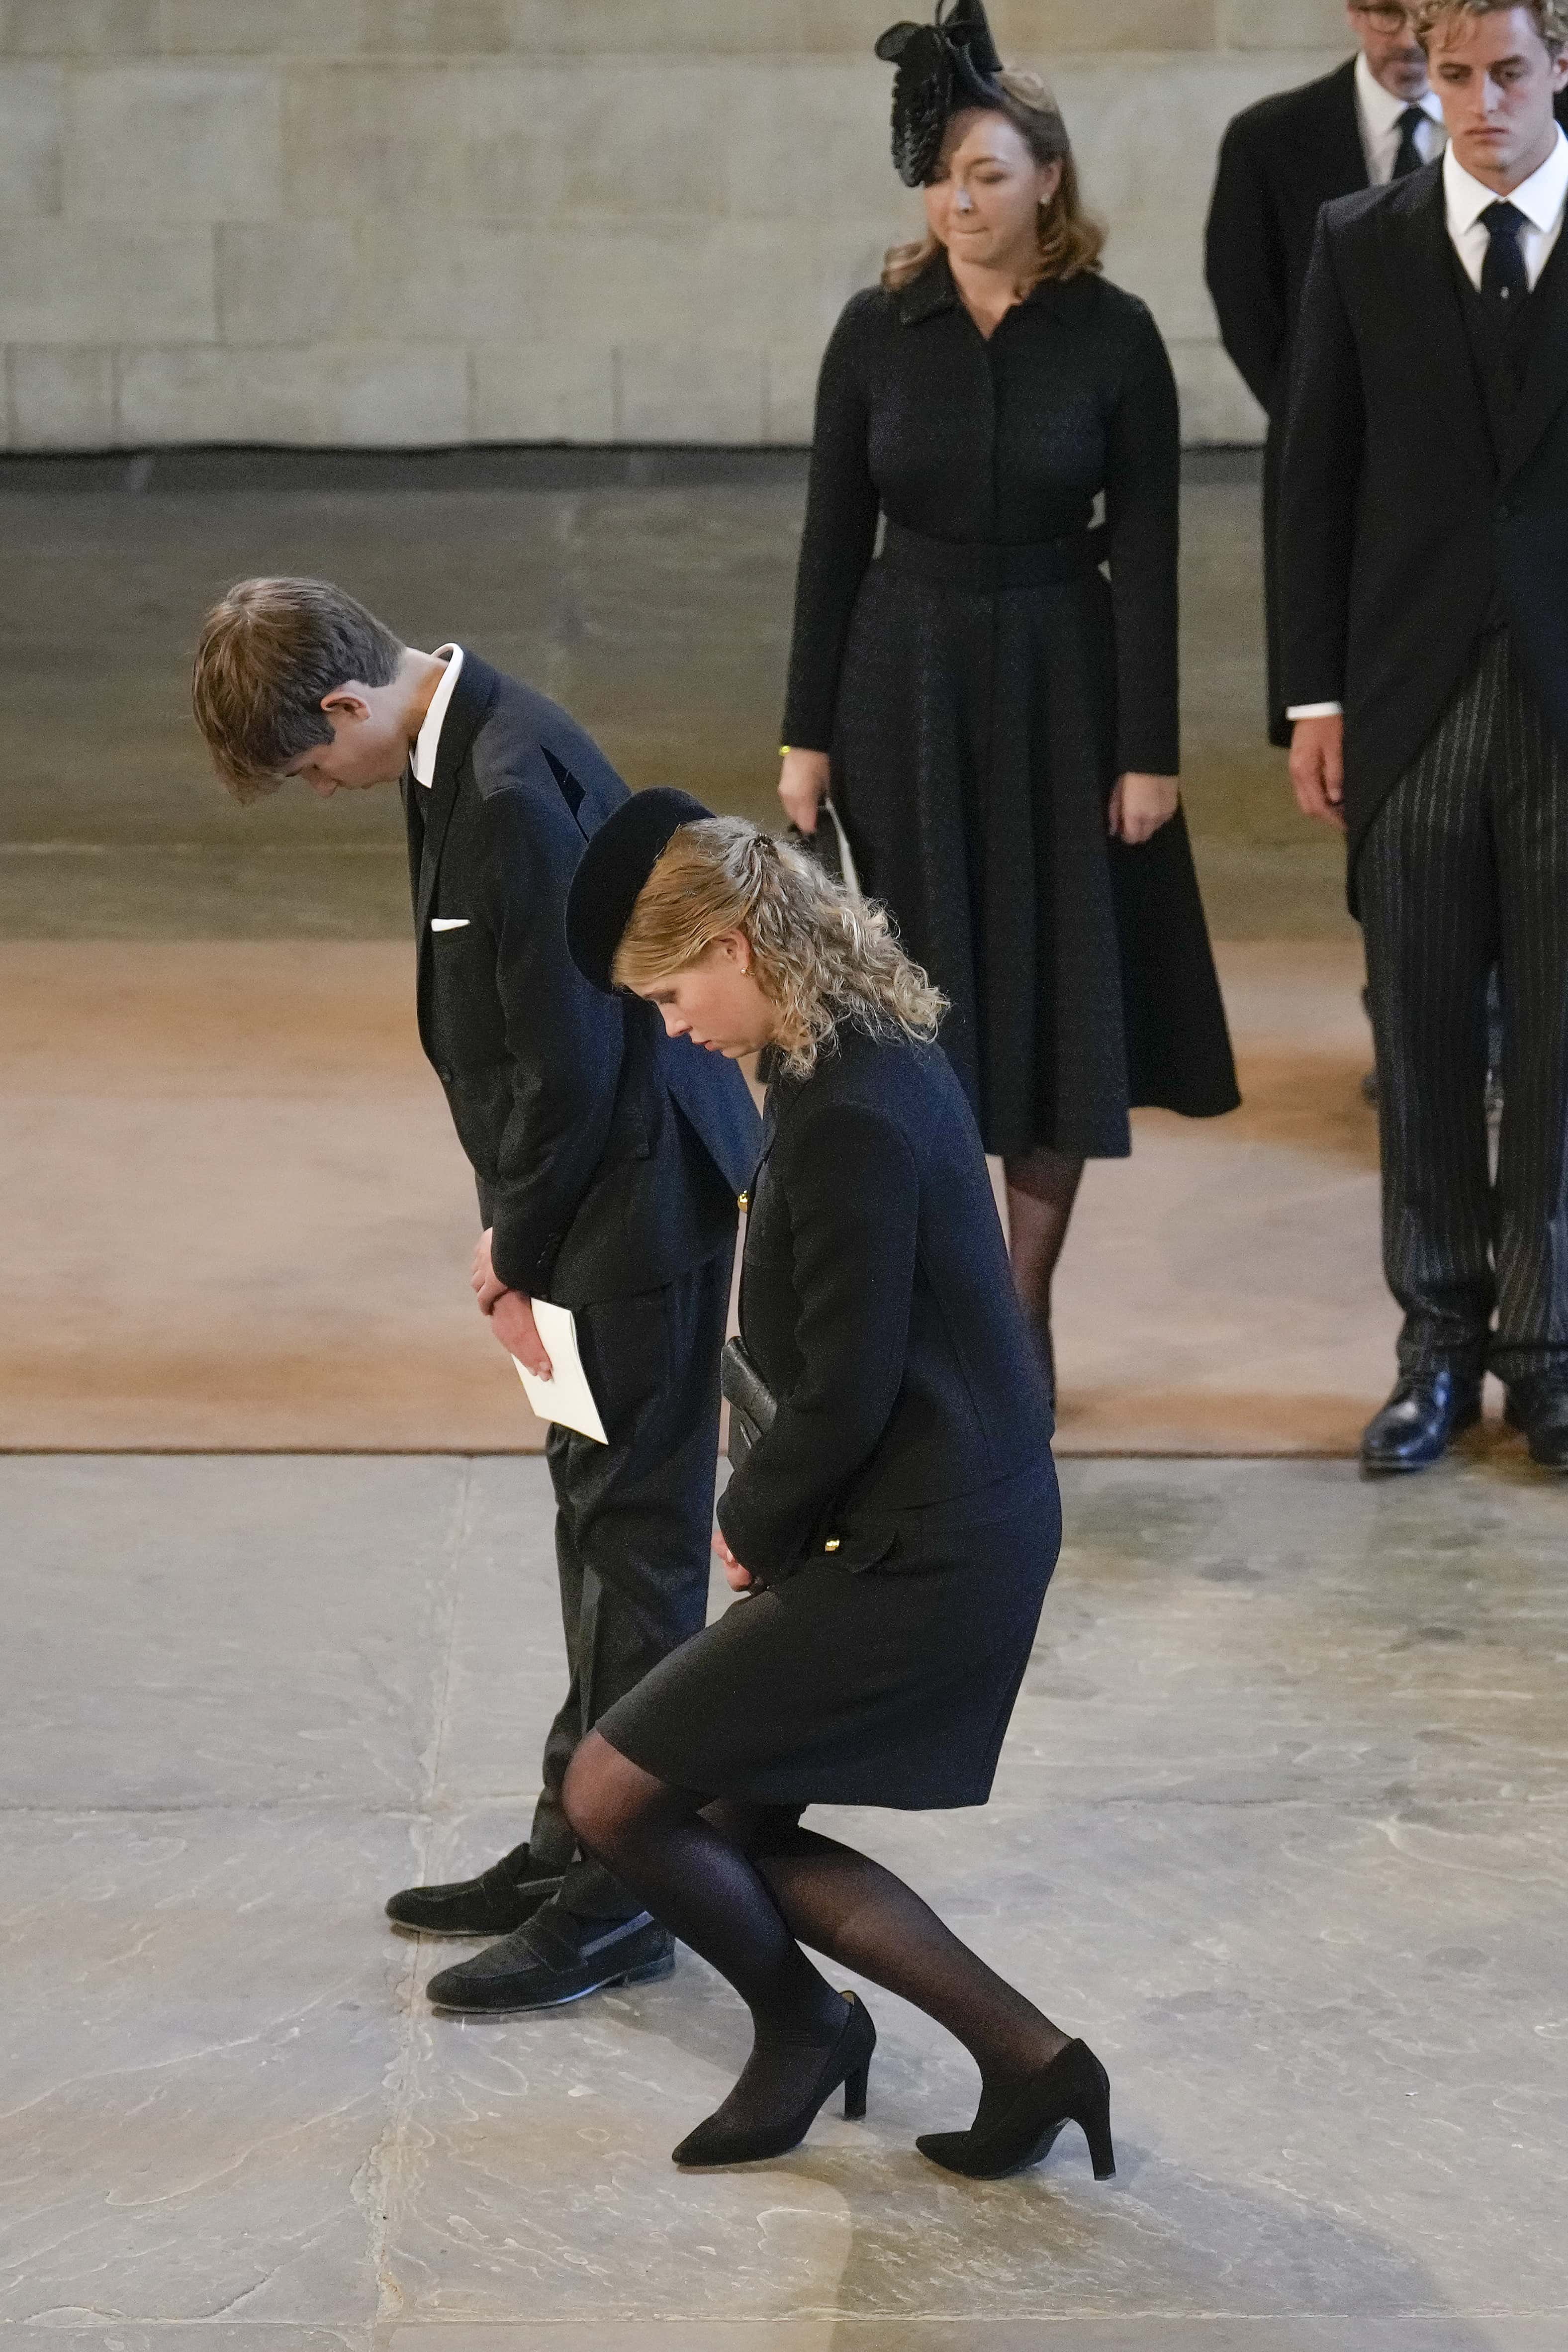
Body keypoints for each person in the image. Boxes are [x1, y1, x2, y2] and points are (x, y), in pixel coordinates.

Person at [190, 579, 761, 2002]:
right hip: (590, 1195)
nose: (325, 788)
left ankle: (630, 1885)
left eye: (315, 764)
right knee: (596, 1522)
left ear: (346, 704)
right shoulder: (458, 741)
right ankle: (577, 1829)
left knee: (632, 1547)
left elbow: (569, 1069)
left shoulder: (506, 788)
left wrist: (511, 1239)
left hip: (624, 1201)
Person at [556, 789, 1117, 2179]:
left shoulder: (851, 1106)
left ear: (741, 944)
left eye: (676, 992)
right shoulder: (842, 1049)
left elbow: (851, 1386)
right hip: (915, 1511)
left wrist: (747, 1527)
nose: (673, 1025)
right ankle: (1028, 2062)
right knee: (725, 1820)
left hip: (926, 1543)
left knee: (617, 1796)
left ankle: (810, 2029)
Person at [777, 0, 1237, 1398]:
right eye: (942, 176)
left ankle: (1019, 1312)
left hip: (1061, 682)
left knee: (1049, 1004)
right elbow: (825, 540)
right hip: (900, 681)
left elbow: (1151, 556)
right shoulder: (877, 330)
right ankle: (949, 1302)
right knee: (922, 1008)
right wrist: (802, 736)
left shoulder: (1115, 338)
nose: (960, 200)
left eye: (987, 173)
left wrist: (1147, 752)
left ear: (1049, 175)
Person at [1279, 0, 1568, 1473]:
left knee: (1566, 1049)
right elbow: (1309, 480)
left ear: (1560, 69)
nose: (1476, 102)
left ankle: (1553, 1352)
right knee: (1425, 1035)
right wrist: (1313, 698)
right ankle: (1436, 1350)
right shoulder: (1361, 239)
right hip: (1408, 707)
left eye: (1507, 72)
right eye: (1452, 74)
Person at [1205, 3, 1447, 745]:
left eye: (1425, 14)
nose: (1404, 38)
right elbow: (1247, 304)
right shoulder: (1270, 138)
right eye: (1384, 12)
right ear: (1351, 11)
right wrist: (1326, 424)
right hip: (1339, 468)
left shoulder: (1538, 117)